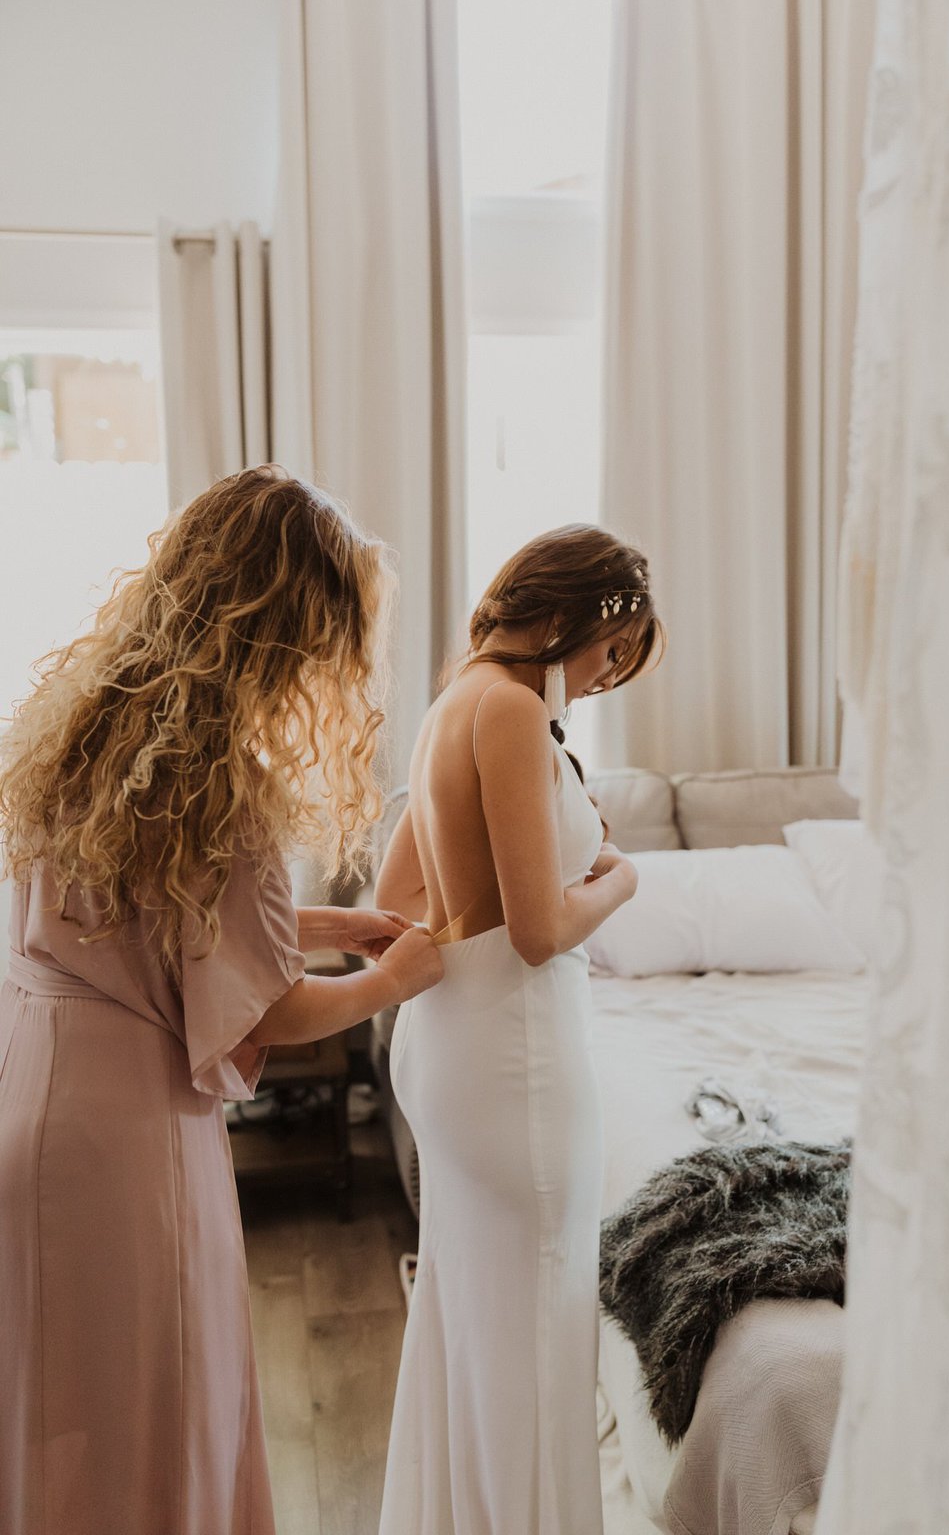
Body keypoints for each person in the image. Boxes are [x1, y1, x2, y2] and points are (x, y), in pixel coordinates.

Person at [0, 466, 443, 1535]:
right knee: (156, 1406)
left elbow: (155, 928)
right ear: (291, 626)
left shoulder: (89, 726)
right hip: (124, 1129)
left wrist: (330, 930)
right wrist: (393, 979)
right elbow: (262, 1013)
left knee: (56, 1409)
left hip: (31, 1084)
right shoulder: (219, 775)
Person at [375, 524, 664, 1535]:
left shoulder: (454, 700)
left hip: (450, 1045)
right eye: (606, 651)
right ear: (573, 613)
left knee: (472, 1326)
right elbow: (540, 932)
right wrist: (616, 878)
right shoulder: (506, 710)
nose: (597, 678)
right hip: (517, 1058)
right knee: (539, 1339)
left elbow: (398, 891)